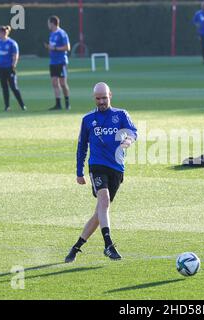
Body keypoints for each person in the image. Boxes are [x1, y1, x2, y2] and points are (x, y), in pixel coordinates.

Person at [65, 82, 138, 262]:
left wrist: (129, 140)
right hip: (96, 165)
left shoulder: (121, 115)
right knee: (103, 200)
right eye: (98, 98)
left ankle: (76, 246)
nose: (101, 101)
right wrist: (79, 172)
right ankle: (108, 245)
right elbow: (81, 146)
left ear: (110, 95)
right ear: (94, 98)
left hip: (116, 168)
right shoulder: (88, 119)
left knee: (100, 211)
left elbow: (133, 132)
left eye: (104, 98)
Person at [0, 25, 26, 112]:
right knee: (4, 87)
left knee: (14, 87)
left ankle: (22, 105)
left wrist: (13, 65)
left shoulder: (12, 43)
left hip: (9, 68)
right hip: (1, 68)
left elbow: (15, 55)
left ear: (3, 33)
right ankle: (7, 106)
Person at [44, 16, 71, 111]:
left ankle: (67, 103)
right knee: (54, 83)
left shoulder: (62, 33)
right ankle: (58, 104)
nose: (48, 25)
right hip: (53, 62)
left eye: (48, 23)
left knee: (63, 83)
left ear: (52, 23)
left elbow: (67, 47)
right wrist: (49, 48)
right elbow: (52, 47)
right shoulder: (51, 34)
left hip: (61, 61)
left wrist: (54, 48)